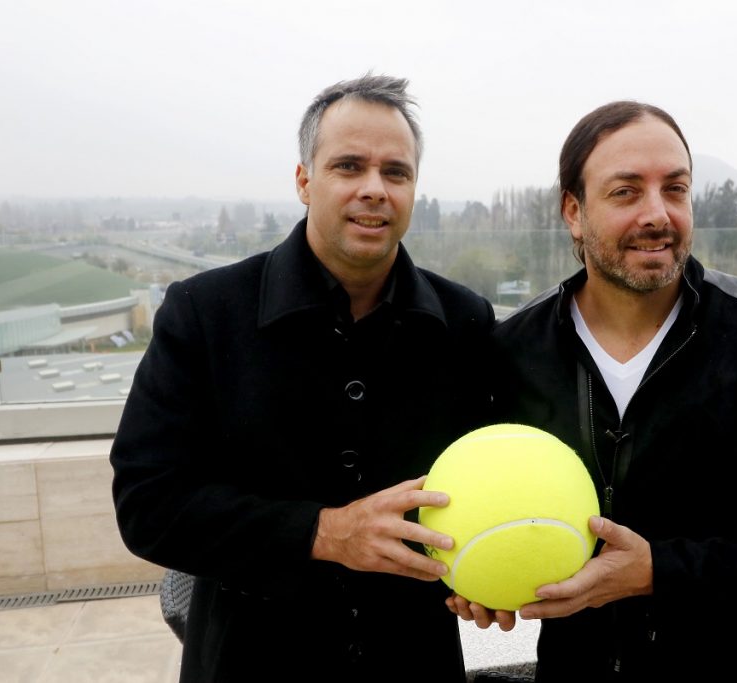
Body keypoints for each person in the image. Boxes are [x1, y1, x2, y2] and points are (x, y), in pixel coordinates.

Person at [450, 101, 737, 681]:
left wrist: (659, 571)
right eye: (626, 192)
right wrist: (479, 581)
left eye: (674, 189)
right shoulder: (515, 349)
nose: (658, 214)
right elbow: (474, 503)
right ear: (574, 212)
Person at [111, 74, 494, 682]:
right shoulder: (204, 312)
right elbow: (147, 503)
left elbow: (486, 485)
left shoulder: (465, 321)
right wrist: (325, 532)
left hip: (414, 661)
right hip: (250, 662)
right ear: (303, 181)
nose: (375, 189)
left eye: (396, 173)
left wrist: (487, 575)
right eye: (349, 166)